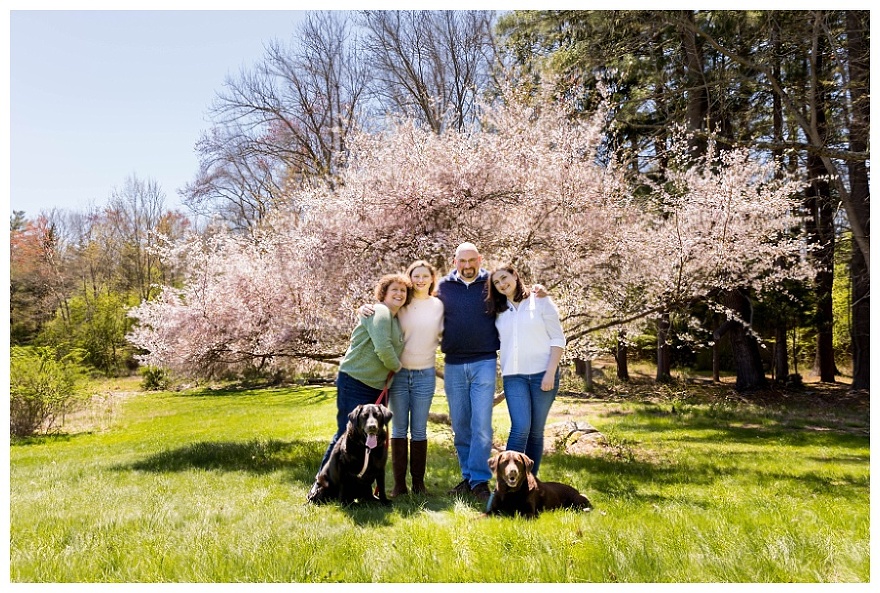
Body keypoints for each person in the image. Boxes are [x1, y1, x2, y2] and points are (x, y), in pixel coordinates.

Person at [313, 273, 411, 477]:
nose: (399, 293)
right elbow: (383, 348)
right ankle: (322, 486)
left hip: (377, 386)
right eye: (395, 289)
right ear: (384, 292)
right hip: (356, 381)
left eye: (403, 290)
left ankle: (358, 488)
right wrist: (398, 366)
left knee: (369, 438)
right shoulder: (381, 311)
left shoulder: (395, 318)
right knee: (346, 435)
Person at [434, 243, 500, 503]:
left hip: (484, 361)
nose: (468, 265)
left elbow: (516, 296)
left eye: (472, 260)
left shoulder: (492, 283)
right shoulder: (442, 287)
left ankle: (480, 481)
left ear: (480, 259)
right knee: (461, 426)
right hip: (453, 363)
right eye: (463, 261)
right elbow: (414, 302)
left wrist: (536, 294)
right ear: (455, 261)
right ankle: (469, 476)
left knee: (481, 425)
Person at [486, 264, 566, 477]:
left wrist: (550, 372)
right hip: (514, 376)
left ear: (514, 275)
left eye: (504, 278)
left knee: (535, 432)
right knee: (520, 427)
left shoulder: (540, 301)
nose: (502, 284)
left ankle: (530, 483)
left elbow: (558, 338)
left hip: (543, 374)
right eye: (496, 282)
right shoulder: (498, 311)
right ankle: (505, 484)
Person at [386, 260, 444, 496]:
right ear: (410, 278)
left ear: (432, 279)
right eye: (415, 276)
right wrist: (363, 309)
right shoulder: (402, 303)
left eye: (424, 276)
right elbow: (380, 312)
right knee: (399, 429)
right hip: (399, 374)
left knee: (419, 430)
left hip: (425, 374)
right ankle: (400, 486)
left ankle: (419, 485)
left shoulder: (439, 305)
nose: (420, 280)